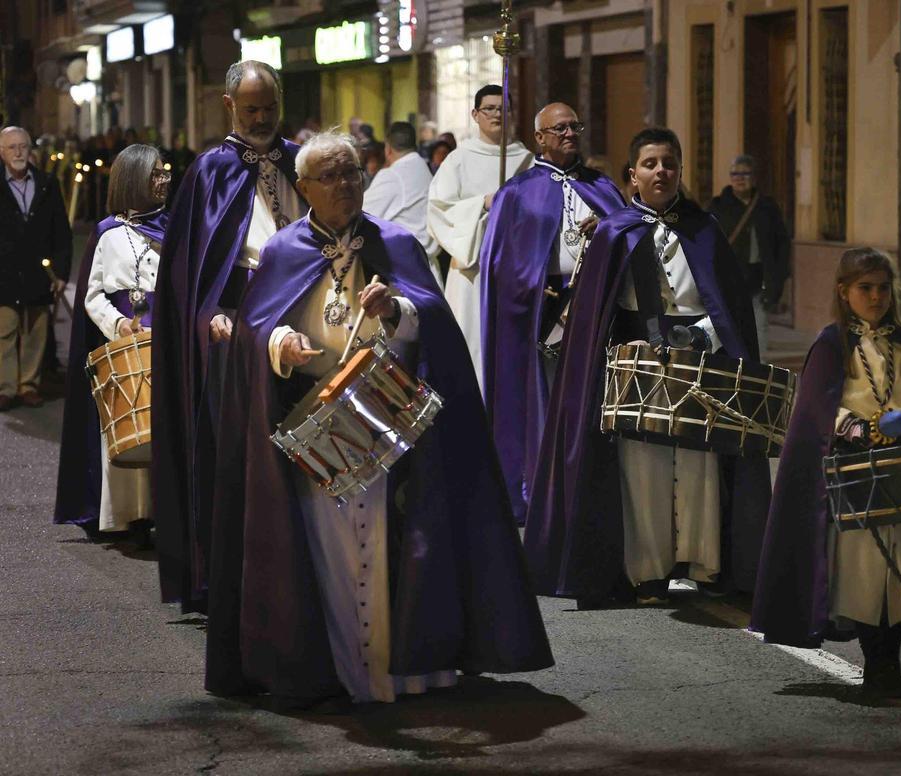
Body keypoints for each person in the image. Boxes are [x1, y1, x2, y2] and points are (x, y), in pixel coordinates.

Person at [205, 132, 552, 707]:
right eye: (331, 177)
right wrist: (281, 344)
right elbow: (254, 329)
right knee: (322, 551)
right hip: (314, 424)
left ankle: (396, 669)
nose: (345, 185)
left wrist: (397, 310)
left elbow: (433, 320)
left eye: (352, 174)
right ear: (304, 188)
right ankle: (334, 669)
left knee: (394, 546)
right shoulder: (283, 251)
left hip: (388, 421)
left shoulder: (396, 242)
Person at [522, 127, 771, 607]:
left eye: (669, 163)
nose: (661, 171)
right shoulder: (615, 231)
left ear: (680, 171)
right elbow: (598, 313)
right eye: (651, 164)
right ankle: (649, 570)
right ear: (632, 174)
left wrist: (705, 336)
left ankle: (704, 563)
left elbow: (729, 309)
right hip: (637, 364)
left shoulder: (705, 230)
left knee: (701, 465)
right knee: (645, 470)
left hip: (700, 363)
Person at [751, 247, 901, 700]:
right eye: (865, 288)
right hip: (857, 470)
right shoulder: (832, 343)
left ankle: (894, 658)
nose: (876, 296)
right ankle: (876, 664)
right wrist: (856, 426)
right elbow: (818, 406)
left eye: (883, 288)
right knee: (865, 576)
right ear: (844, 293)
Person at [152, 60, 305, 613]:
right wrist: (208, 312)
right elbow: (190, 268)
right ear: (228, 107)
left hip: (305, 316)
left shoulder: (300, 160)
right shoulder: (209, 171)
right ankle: (238, 574)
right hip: (237, 326)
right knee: (242, 452)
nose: (261, 119)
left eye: (269, 108)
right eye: (250, 110)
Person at [479, 102, 626, 524]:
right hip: (541, 313)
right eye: (559, 128)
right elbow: (499, 263)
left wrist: (610, 228)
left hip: (593, 309)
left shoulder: (602, 186)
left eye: (574, 126)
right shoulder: (518, 191)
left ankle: (587, 484)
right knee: (543, 402)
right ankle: (543, 490)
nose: (569, 134)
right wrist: (533, 291)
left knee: (590, 400)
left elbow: (629, 239)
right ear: (539, 137)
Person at [54, 144, 169, 542]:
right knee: (125, 430)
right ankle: (127, 516)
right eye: (155, 173)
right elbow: (92, 294)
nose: (163, 179)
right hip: (124, 344)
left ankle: (161, 513)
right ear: (134, 178)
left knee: (162, 429)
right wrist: (118, 324)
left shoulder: (173, 229)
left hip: (163, 341)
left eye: (164, 171)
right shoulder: (107, 233)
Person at [427, 85, 533, 387]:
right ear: (475, 114)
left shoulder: (527, 161)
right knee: (472, 351)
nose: (497, 114)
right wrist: (482, 204)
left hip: (514, 272)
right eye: (490, 108)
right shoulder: (458, 160)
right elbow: (438, 211)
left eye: (504, 108)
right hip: (471, 272)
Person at [0, 126, 71, 411]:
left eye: (23, 146)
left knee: (35, 333)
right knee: (4, 331)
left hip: (38, 275)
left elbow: (61, 232)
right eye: (11, 147)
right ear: (2, 152)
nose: (18, 152)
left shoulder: (47, 183)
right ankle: (5, 387)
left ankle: (28, 384)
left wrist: (62, 272)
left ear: (31, 150)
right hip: (4, 273)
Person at [708, 155, 791, 352]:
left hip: (758, 279)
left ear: (754, 178)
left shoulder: (767, 207)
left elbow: (782, 245)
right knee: (727, 327)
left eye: (745, 173)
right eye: (735, 174)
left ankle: (758, 374)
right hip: (728, 279)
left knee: (758, 327)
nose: (739, 178)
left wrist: (777, 280)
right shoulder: (718, 206)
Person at [362, 121, 441, 285]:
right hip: (427, 270)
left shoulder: (393, 176)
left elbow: (359, 214)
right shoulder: (423, 169)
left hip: (407, 276)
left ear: (388, 149)